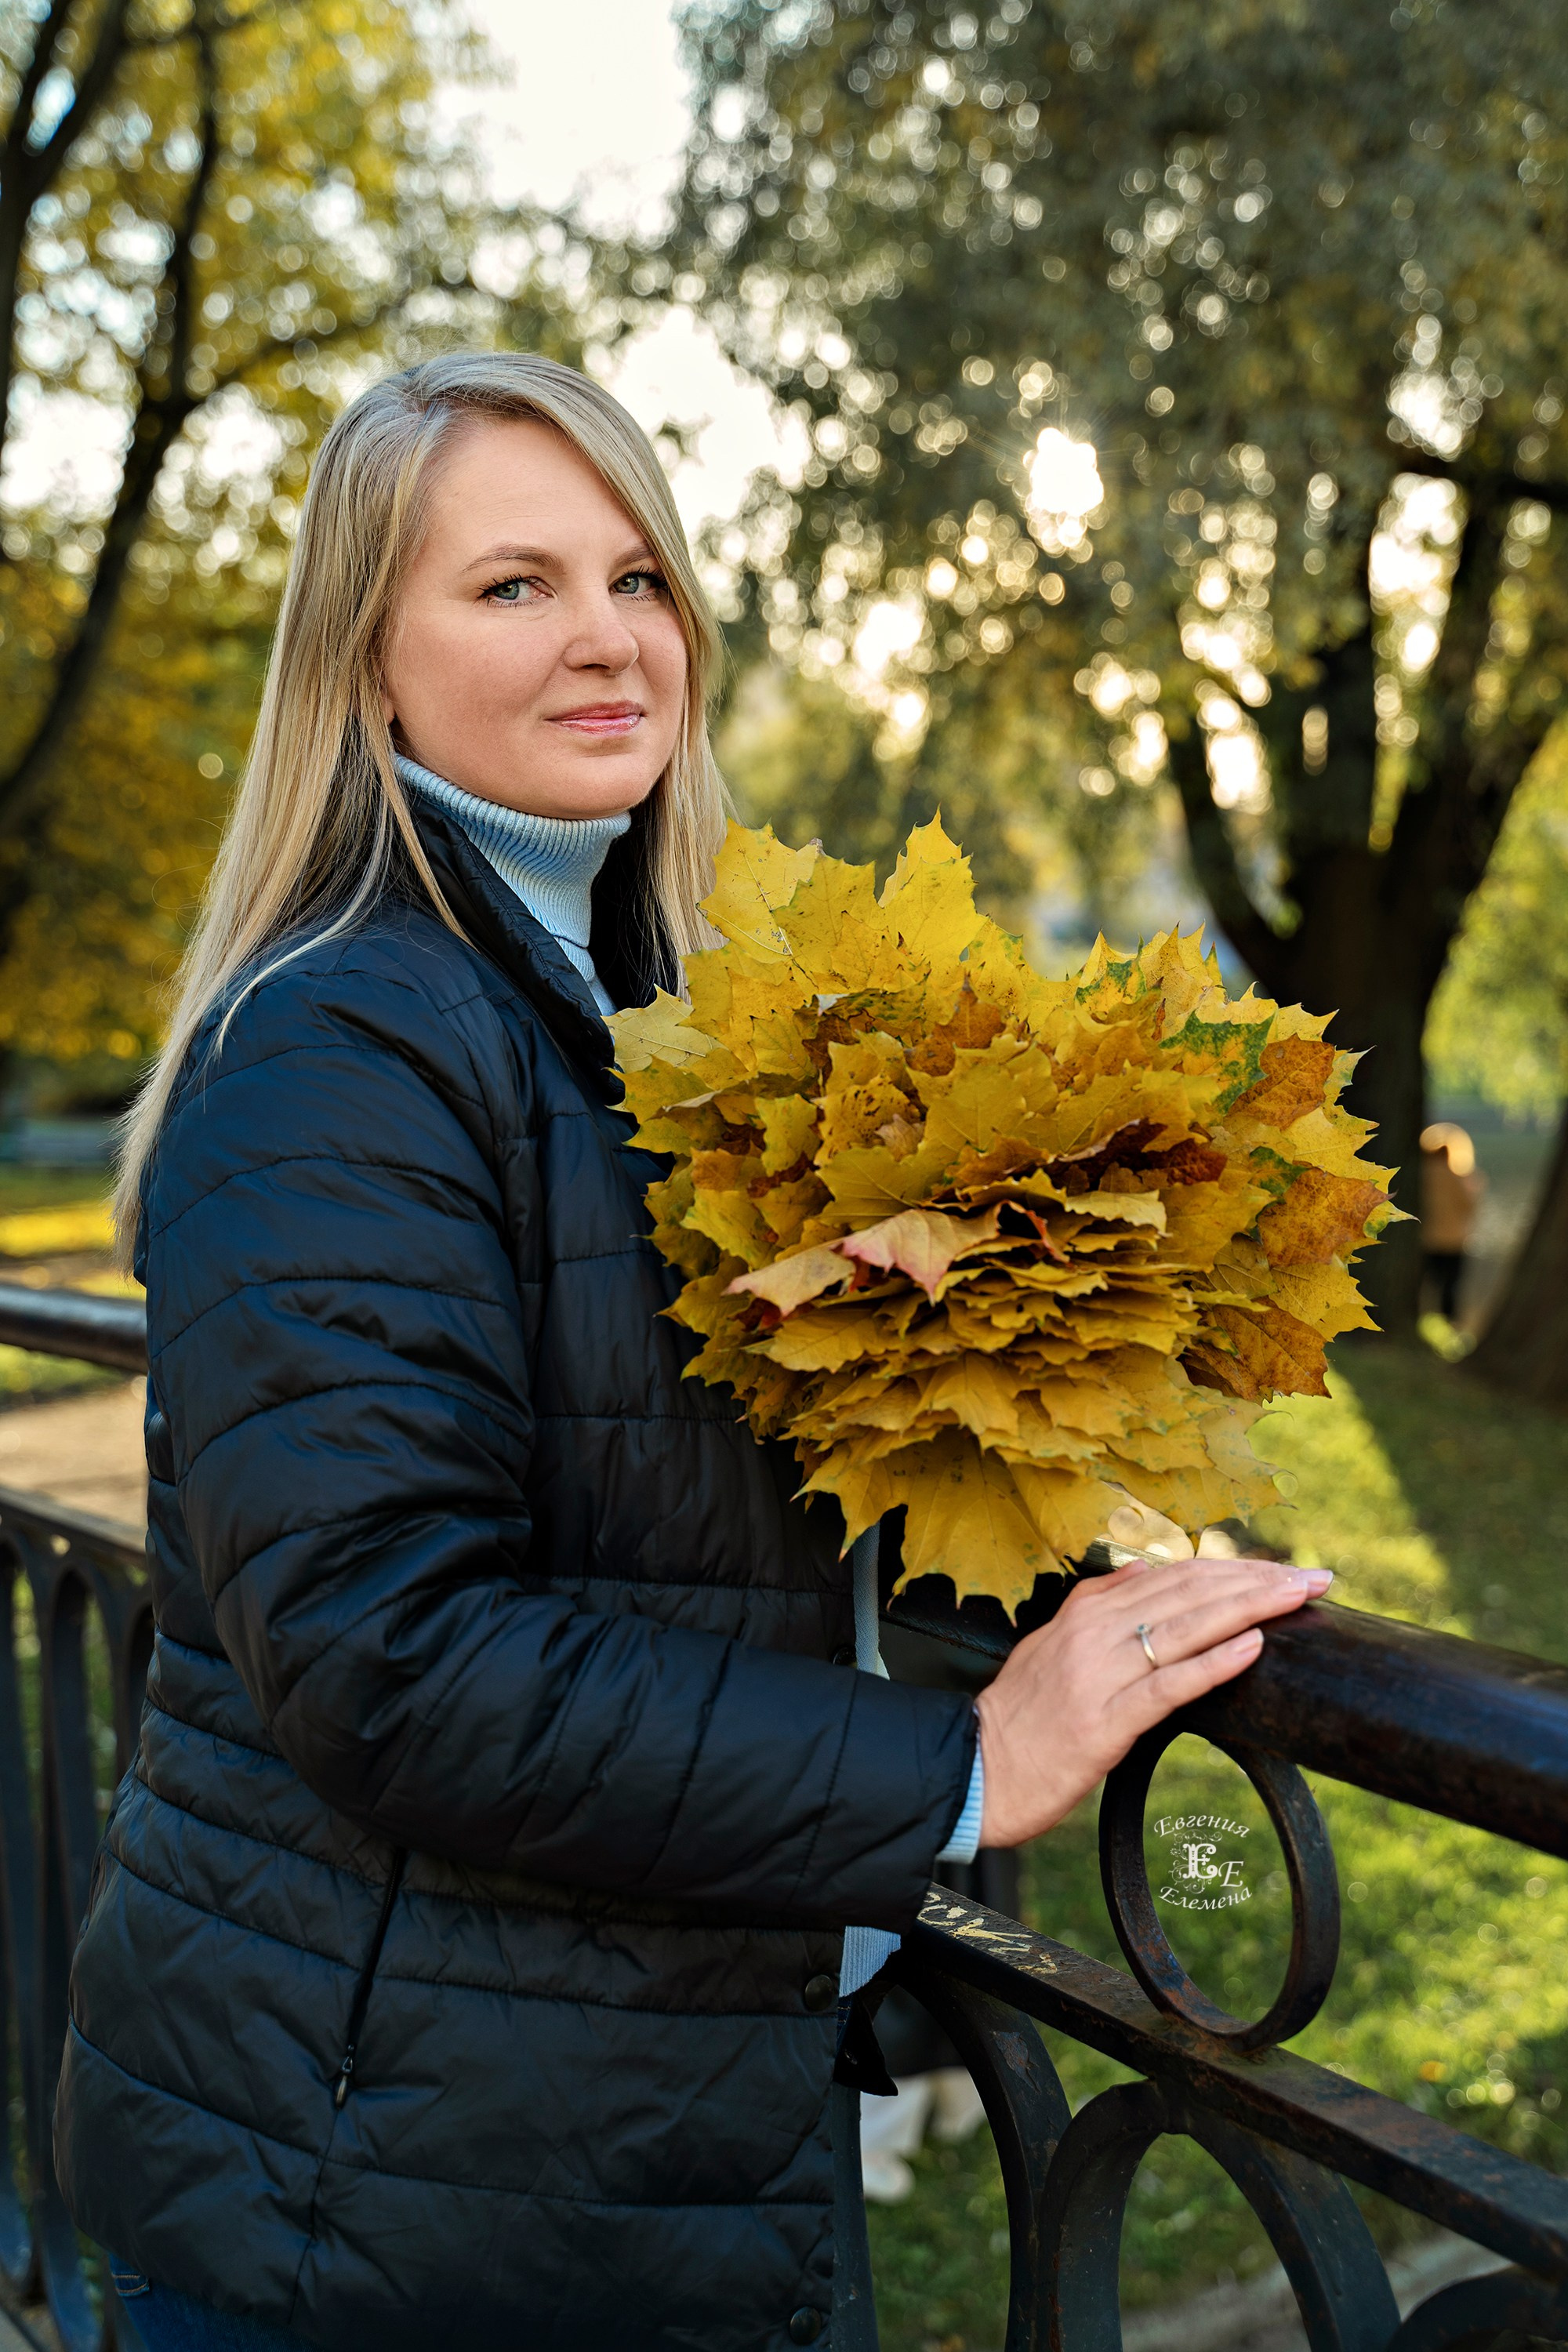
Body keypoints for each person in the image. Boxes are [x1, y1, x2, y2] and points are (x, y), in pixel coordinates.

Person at [55, 353, 1332, 2352]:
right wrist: (964, 1757)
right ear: (362, 661)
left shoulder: (657, 1015)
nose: (607, 641)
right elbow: (385, 1649)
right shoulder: (342, 1042)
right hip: (391, 2199)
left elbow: (666, 1493)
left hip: (626, 2126)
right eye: (513, 585)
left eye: (639, 578)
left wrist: (1043, 1454)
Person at [1420, 1120, 1486, 1323]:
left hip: (1426, 1239)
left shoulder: (1422, 1175)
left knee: (1425, 1283)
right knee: (1450, 1286)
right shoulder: (1456, 1177)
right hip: (1453, 1241)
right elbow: (1469, 1206)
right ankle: (1447, 1324)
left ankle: (1424, 1319)